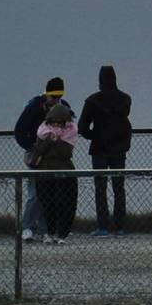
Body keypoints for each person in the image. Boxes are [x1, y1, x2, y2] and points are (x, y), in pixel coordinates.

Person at [77, 65, 132, 236]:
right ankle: (120, 226)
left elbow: (82, 127)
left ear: (100, 80)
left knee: (100, 187)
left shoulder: (92, 100)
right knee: (119, 186)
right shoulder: (125, 99)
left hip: (99, 147)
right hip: (119, 148)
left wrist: (94, 135)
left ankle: (103, 226)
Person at [14, 77, 65, 240]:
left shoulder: (64, 107)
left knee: (50, 194)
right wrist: (31, 147)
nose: (56, 100)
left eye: (59, 96)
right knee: (35, 194)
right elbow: (20, 130)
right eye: (53, 96)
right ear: (47, 94)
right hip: (37, 157)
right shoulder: (34, 106)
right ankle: (27, 227)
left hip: (55, 158)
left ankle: (46, 229)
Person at [30, 100, 79, 244]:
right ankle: (50, 232)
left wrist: (53, 142)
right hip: (45, 173)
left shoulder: (71, 131)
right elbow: (39, 150)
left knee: (62, 203)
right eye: (55, 122)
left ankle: (61, 233)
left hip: (62, 173)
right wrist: (51, 141)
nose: (57, 125)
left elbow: (66, 153)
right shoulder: (43, 131)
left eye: (60, 123)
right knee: (47, 203)